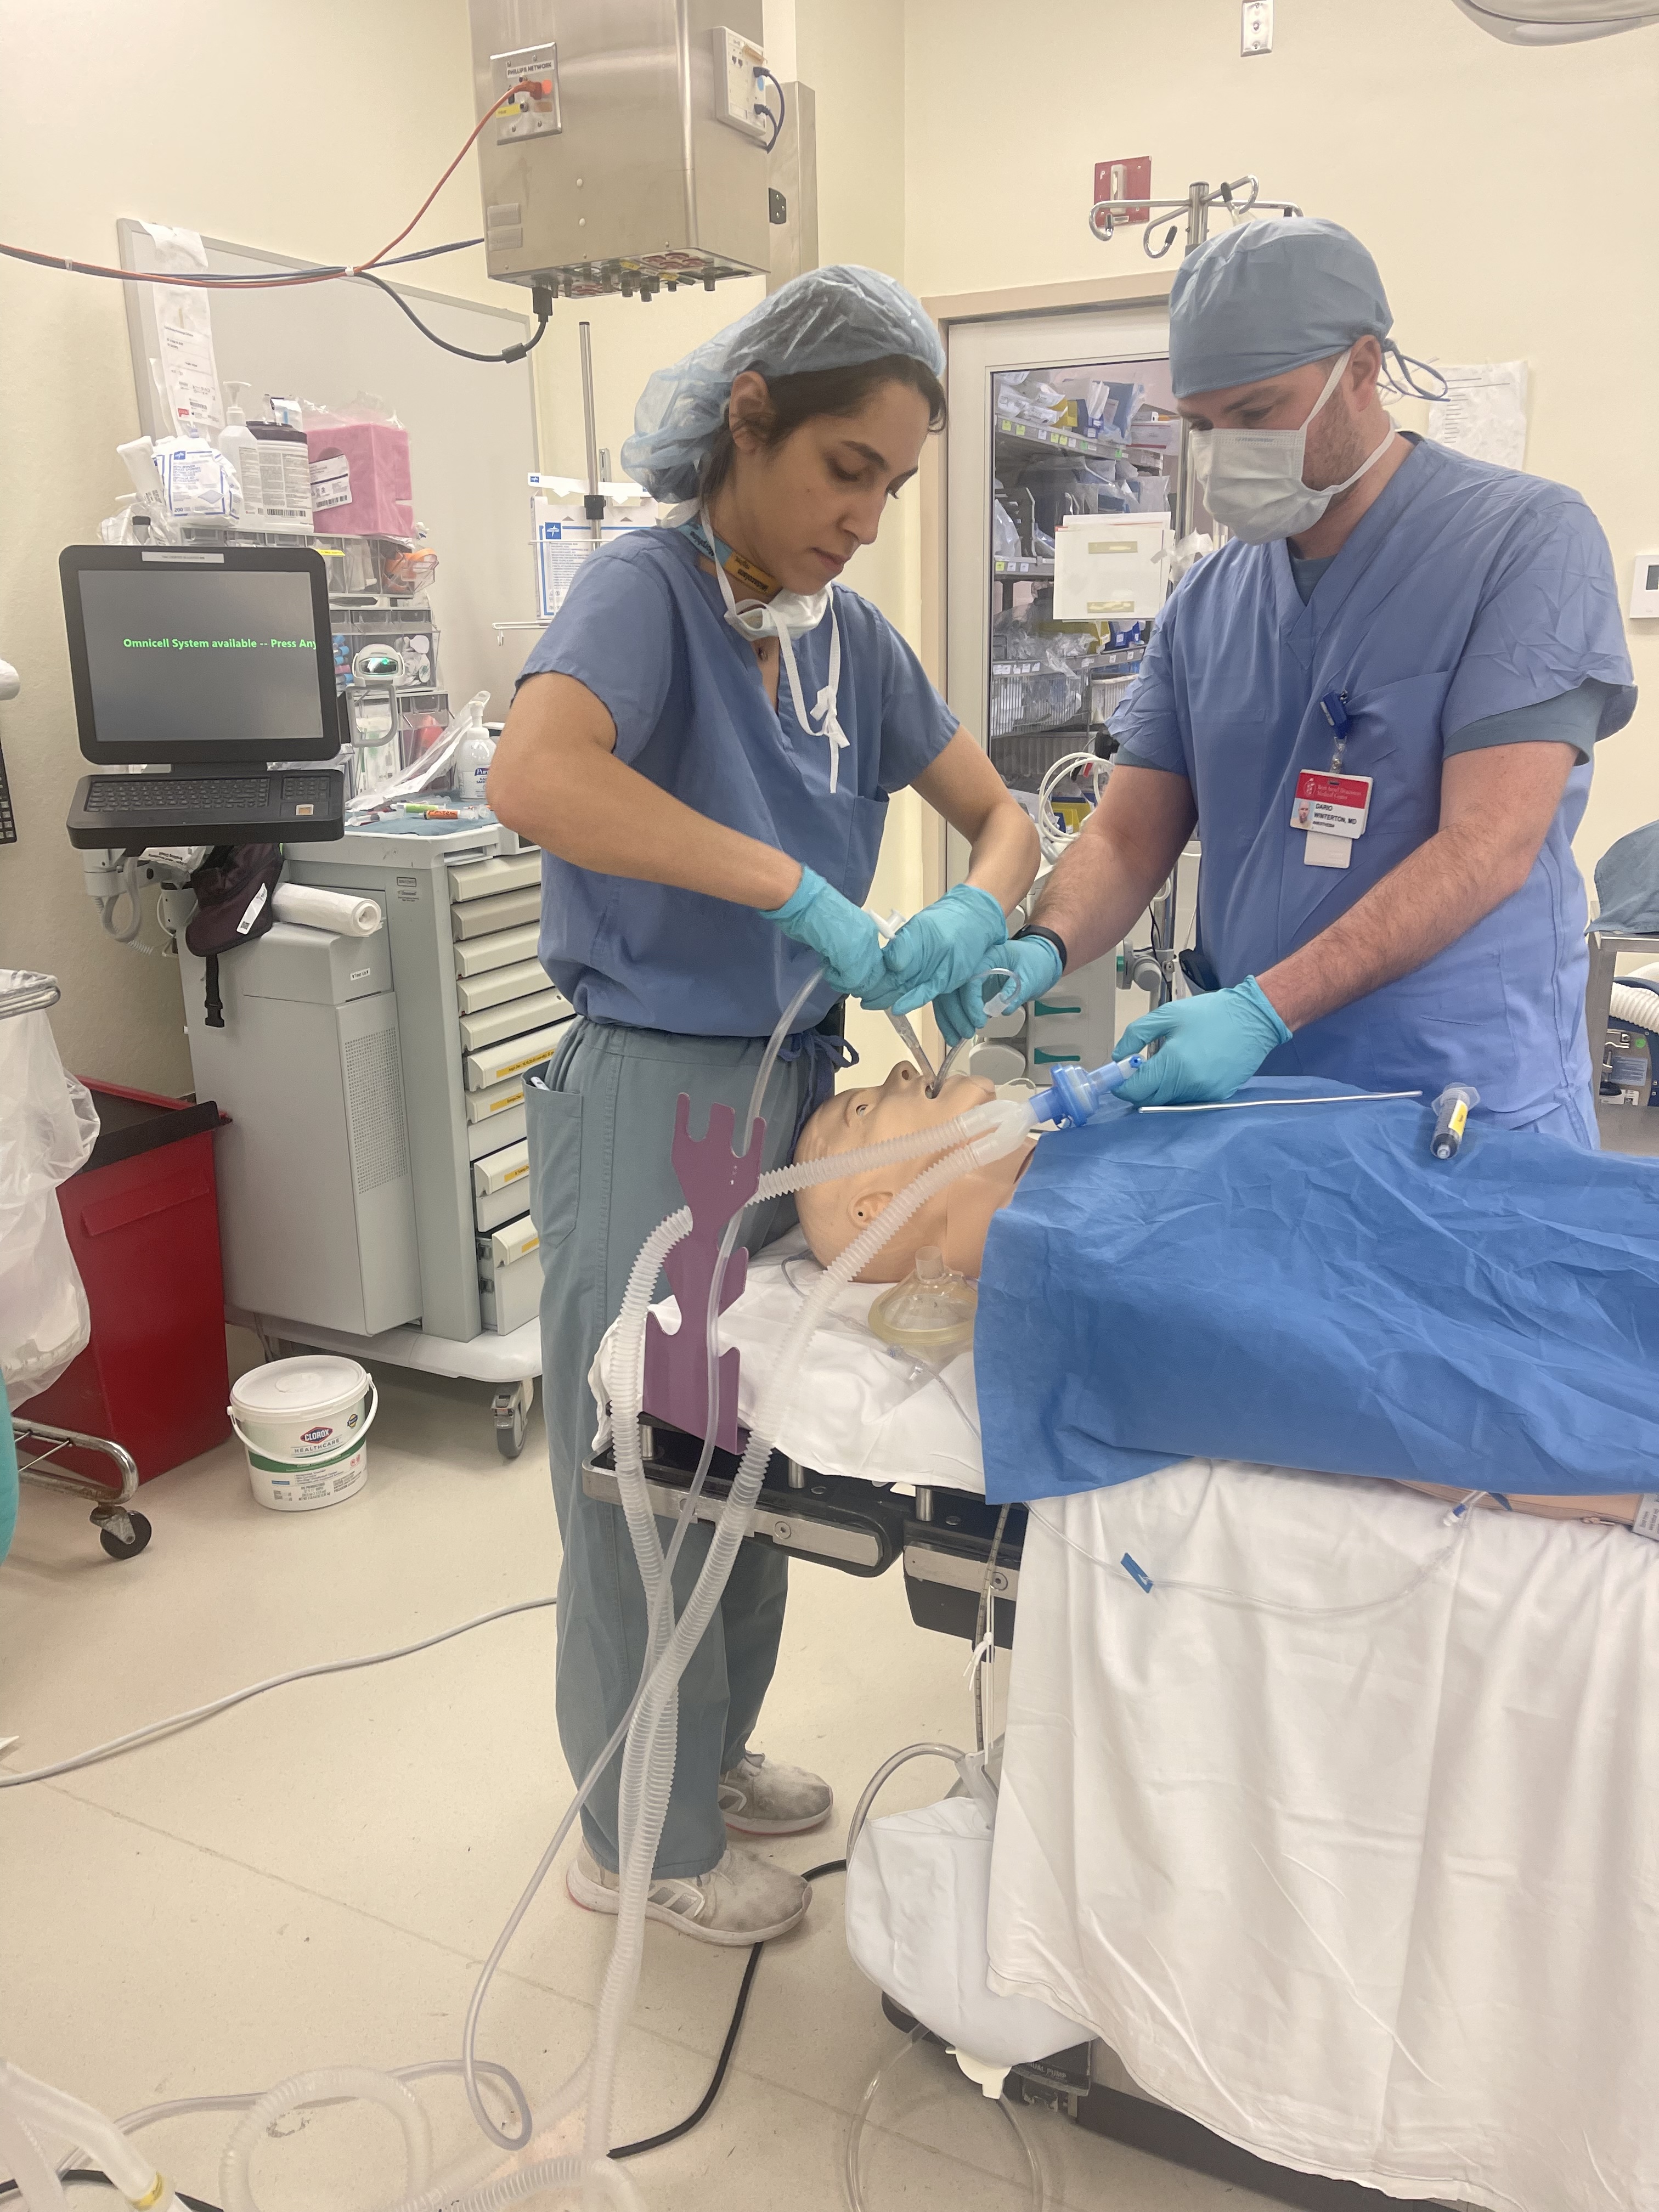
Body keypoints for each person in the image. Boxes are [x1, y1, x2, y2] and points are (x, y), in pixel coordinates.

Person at [488, 266, 1039, 1947]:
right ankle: (634, 1837)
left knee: (745, 1459)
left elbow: (1007, 818)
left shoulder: (849, 643)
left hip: (788, 1091)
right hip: (660, 1091)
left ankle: (707, 1754)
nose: (863, 520)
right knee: (643, 1473)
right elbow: (537, 776)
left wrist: (978, 912)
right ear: (749, 421)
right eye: (843, 470)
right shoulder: (645, 595)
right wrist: (789, 886)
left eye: (893, 487)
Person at [933, 219, 1635, 1146]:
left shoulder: (1524, 543)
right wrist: (1040, 943)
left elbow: (1491, 843)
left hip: (1453, 1099)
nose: (1227, 449)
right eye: (1202, 425)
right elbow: (1131, 837)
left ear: (1362, 368)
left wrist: (1267, 1008)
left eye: (1258, 412)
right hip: (1254, 1097)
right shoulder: (1211, 600)